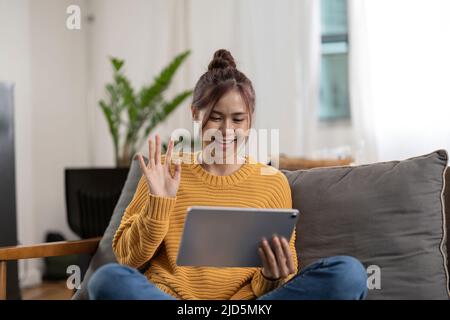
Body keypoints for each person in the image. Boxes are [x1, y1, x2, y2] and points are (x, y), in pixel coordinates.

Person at [88, 49, 368, 300]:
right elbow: (127, 261)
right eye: (215, 117)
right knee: (107, 280)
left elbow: (278, 282)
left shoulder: (272, 183)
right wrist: (159, 204)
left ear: (250, 120)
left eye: (237, 119)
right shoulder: (165, 169)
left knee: (348, 274)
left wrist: (272, 276)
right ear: (196, 114)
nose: (226, 131)